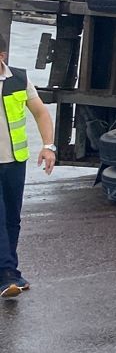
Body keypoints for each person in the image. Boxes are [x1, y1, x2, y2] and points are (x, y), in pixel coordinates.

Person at [0, 33, 55, 298]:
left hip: (13, 162)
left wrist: (48, 146)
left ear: (2, 57)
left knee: (12, 218)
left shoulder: (19, 79)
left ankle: (9, 272)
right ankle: (7, 274)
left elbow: (41, 112)